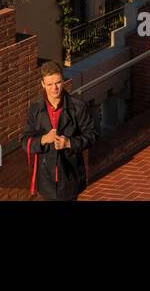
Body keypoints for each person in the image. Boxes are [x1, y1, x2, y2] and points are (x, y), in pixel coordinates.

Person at [22, 61, 98, 200]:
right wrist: (44, 139)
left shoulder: (78, 107)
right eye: (49, 84)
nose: (54, 88)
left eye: (57, 82)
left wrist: (69, 143)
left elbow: (92, 135)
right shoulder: (35, 109)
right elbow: (25, 141)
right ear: (42, 84)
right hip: (46, 179)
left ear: (63, 81)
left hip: (70, 175)